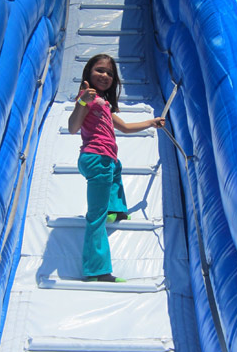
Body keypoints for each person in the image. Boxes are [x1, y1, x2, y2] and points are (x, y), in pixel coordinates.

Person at [68, 54, 165, 282]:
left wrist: (151, 123)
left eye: (110, 73)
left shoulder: (103, 103)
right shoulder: (88, 98)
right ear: (88, 73)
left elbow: (126, 128)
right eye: (100, 70)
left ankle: (116, 208)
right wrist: (83, 100)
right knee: (96, 217)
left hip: (105, 160)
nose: (105, 75)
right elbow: (73, 127)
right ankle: (97, 270)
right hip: (96, 159)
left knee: (117, 167)